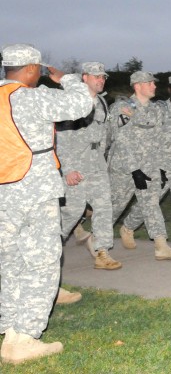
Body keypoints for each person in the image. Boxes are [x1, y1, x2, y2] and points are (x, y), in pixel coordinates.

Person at [0, 43, 93, 364]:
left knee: (10, 260)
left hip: (3, 191)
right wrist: (67, 79)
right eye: (37, 69)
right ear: (30, 69)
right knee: (42, 261)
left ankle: (8, 324)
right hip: (33, 188)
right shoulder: (29, 97)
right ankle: (23, 338)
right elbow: (81, 105)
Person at [119, 74, 171, 250]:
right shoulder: (159, 109)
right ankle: (128, 227)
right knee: (150, 203)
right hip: (160, 163)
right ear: (169, 89)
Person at [108, 71, 171, 261]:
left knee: (151, 203)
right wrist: (134, 170)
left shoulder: (155, 110)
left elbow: (159, 141)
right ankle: (97, 237)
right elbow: (122, 140)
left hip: (148, 165)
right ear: (137, 86)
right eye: (149, 83)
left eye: (153, 83)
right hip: (124, 168)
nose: (154, 86)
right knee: (115, 206)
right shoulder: (123, 108)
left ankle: (161, 245)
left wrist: (161, 167)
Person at [57, 62, 122, 272]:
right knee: (72, 211)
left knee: (104, 207)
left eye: (103, 77)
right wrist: (67, 169)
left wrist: (103, 159)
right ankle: (49, 248)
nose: (101, 80)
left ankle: (102, 252)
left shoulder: (102, 102)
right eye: (96, 77)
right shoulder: (72, 102)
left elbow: (103, 134)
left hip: (96, 164)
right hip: (76, 164)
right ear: (84, 78)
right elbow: (62, 138)